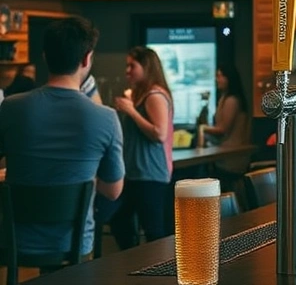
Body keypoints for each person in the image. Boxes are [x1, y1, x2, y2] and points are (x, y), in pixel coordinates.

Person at [0, 16, 124, 257]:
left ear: (45, 56)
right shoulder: (106, 118)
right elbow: (113, 191)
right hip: (75, 243)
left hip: (15, 240)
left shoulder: (10, 107)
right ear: (87, 59)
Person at [111, 46, 174, 249]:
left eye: (132, 65)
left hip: (150, 174)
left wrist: (131, 112)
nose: (127, 70)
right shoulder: (142, 95)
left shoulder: (154, 95)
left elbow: (159, 133)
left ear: (146, 67)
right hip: (136, 173)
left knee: (154, 231)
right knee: (120, 220)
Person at [201, 64, 252, 181]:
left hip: (231, 158)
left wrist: (202, 128)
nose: (217, 79)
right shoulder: (224, 98)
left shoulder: (232, 100)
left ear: (229, 78)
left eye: (220, 76)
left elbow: (222, 129)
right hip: (226, 154)